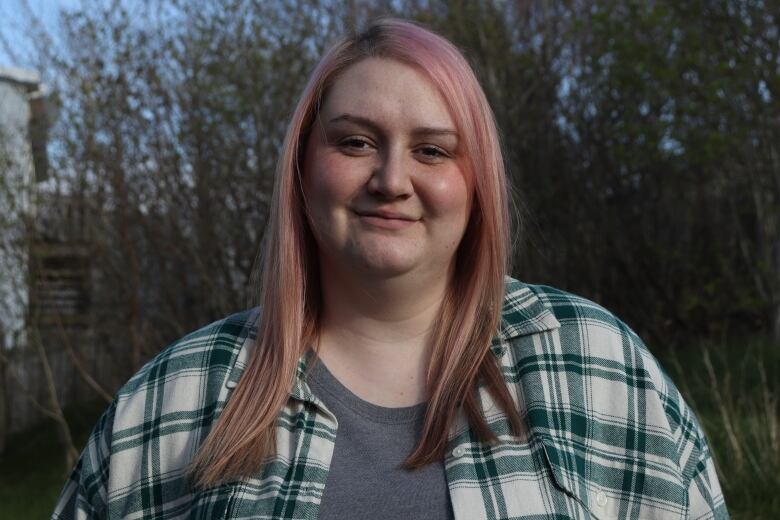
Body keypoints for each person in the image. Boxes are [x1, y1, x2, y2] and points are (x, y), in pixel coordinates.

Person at [52, 17, 728, 520]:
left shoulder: (601, 368)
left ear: (477, 183)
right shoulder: (168, 403)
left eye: (433, 151)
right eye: (355, 141)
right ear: (302, 167)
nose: (391, 179)